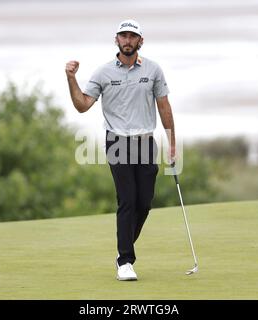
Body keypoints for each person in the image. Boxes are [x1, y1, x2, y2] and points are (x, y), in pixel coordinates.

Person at [65, 19, 176, 281]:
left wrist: (172, 144)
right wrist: (71, 78)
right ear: (116, 40)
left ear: (140, 41)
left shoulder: (153, 70)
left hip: (146, 142)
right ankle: (125, 260)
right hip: (117, 143)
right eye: (123, 36)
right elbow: (82, 105)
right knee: (127, 200)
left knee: (144, 203)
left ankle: (123, 250)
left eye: (132, 36)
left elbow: (164, 107)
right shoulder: (103, 73)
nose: (127, 40)